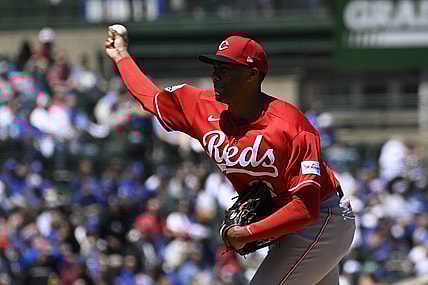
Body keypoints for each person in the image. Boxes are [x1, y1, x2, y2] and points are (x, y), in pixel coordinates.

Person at [105, 27, 356, 285]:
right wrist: (121, 55)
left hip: (322, 221)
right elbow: (149, 96)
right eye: (215, 67)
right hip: (288, 227)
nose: (215, 75)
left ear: (251, 74)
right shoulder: (200, 106)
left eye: (225, 69)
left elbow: (306, 207)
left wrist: (247, 232)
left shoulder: (292, 126)